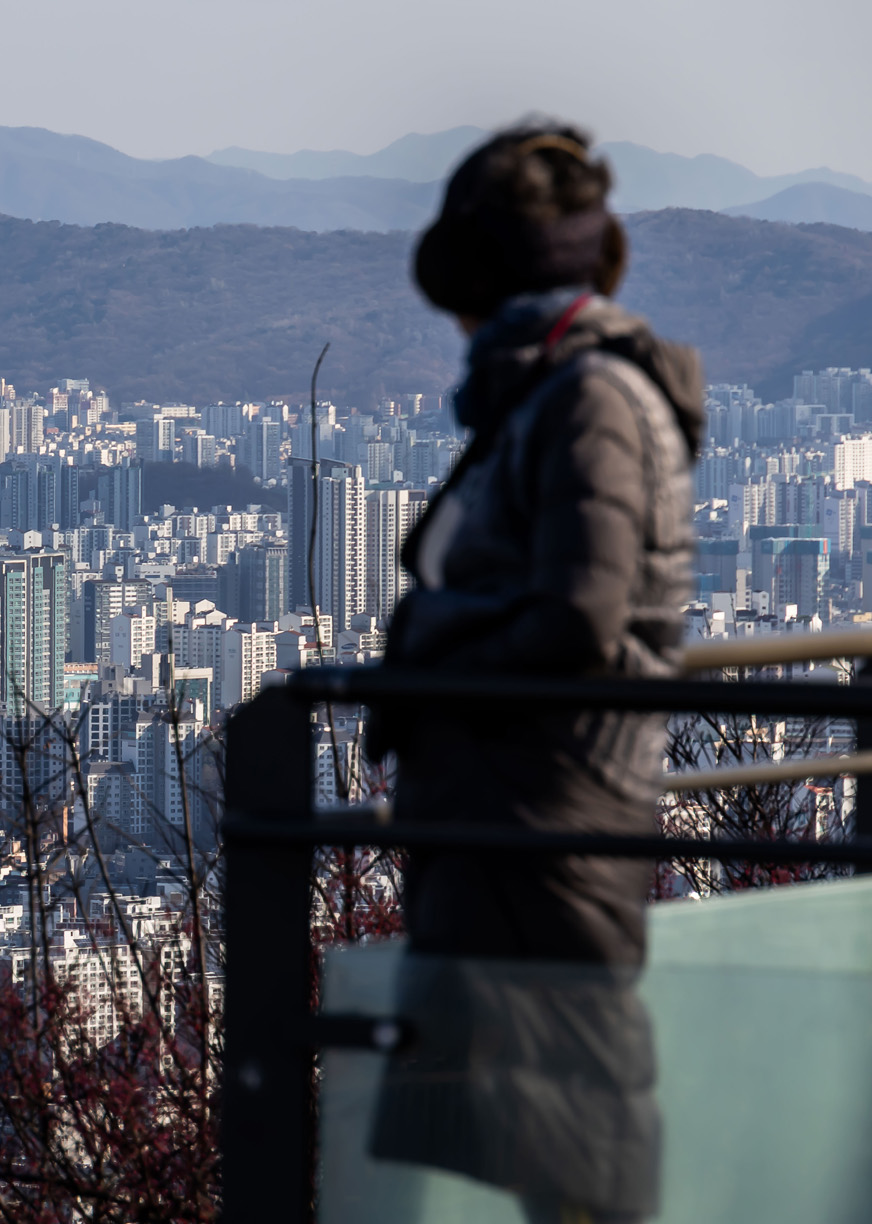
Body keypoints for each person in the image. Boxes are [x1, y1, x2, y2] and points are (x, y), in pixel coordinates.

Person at [366, 123, 704, 1224]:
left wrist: (431, 644)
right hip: (508, 812)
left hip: (546, 815)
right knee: (522, 1133)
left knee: (569, 1130)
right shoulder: (550, 393)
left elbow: (580, 610)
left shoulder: (588, 399)